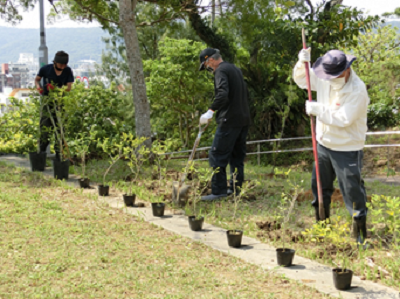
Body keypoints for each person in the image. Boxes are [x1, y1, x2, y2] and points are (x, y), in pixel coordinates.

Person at [293, 48, 370, 246]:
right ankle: (322, 224)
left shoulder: (357, 90)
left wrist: (318, 109)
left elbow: (344, 118)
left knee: (352, 190)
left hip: (346, 147)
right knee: (319, 186)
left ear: (345, 70)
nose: (328, 79)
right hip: (323, 143)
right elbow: (303, 80)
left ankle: (359, 232)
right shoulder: (325, 77)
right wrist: (302, 63)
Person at [198, 48, 251, 201]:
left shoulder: (220, 71)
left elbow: (222, 94)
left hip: (229, 120)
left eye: (206, 65)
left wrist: (210, 111)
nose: (208, 68)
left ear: (211, 60)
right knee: (236, 157)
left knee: (216, 155)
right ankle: (236, 189)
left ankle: (219, 191)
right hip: (243, 119)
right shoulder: (235, 69)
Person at [34, 51, 74, 160]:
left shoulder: (68, 71)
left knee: (59, 129)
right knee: (45, 128)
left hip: (60, 102)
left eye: (65, 64)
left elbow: (68, 87)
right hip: (47, 101)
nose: (63, 66)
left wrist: (56, 89)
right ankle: (41, 154)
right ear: (55, 62)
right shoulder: (46, 69)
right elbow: (37, 79)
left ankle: (59, 155)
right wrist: (39, 87)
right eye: (61, 64)